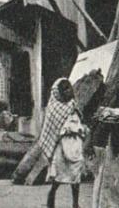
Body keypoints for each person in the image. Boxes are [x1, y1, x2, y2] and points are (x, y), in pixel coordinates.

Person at [44, 78, 85, 208]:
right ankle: (51, 199)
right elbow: (52, 129)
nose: (68, 92)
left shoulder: (73, 105)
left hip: (75, 144)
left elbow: (79, 121)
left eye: (69, 88)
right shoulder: (53, 107)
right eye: (64, 90)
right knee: (59, 176)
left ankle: (75, 203)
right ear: (58, 93)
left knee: (75, 174)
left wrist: (78, 129)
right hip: (61, 146)